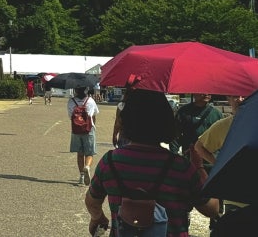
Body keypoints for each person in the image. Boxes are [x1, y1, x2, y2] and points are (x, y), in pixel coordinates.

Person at [84, 89, 220, 237]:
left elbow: (92, 201)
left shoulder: (110, 161)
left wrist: (97, 217)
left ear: (127, 121)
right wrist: (199, 167)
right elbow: (212, 209)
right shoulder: (181, 167)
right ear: (166, 121)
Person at [194, 95, 249, 227]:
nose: (240, 99)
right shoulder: (226, 125)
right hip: (236, 199)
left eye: (245, 95)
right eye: (235, 96)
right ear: (229, 99)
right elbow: (199, 147)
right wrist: (218, 163)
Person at [174, 94, 222, 164]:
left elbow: (222, 139)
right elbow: (176, 135)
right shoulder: (183, 112)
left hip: (210, 161)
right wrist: (175, 156)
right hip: (189, 160)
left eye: (209, 91)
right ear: (194, 93)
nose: (206, 94)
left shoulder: (217, 114)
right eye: (203, 90)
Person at [68, 85, 99, 185]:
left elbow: (70, 116)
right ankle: (87, 167)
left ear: (75, 90)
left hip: (76, 130)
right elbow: (94, 115)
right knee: (89, 153)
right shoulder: (90, 101)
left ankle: (81, 176)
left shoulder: (71, 102)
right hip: (88, 129)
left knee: (80, 154)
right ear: (86, 90)